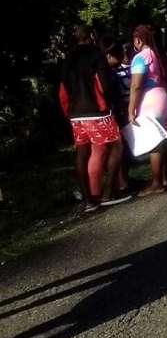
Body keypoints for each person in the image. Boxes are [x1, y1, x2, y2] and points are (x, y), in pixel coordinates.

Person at [59, 25, 123, 212]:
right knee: (117, 144)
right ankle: (108, 193)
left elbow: (63, 87)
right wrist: (111, 102)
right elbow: (104, 84)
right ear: (91, 37)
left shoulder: (68, 59)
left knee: (81, 152)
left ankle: (88, 200)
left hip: (76, 113)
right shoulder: (96, 55)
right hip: (97, 109)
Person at [128, 25, 167, 197]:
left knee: (154, 144)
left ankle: (156, 183)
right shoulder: (160, 56)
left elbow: (135, 85)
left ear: (138, 40)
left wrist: (131, 109)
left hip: (152, 102)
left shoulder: (140, 58)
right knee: (164, 140)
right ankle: (164, 178)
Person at [105, 42, 135, 200]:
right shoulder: (111, 72)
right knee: (119, 149)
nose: (126, 56)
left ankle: (125, 180)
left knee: (127, 148)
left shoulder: (130, 67)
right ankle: (121, 183)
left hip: (126, 110)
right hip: (118, 111)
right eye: (123, 54)